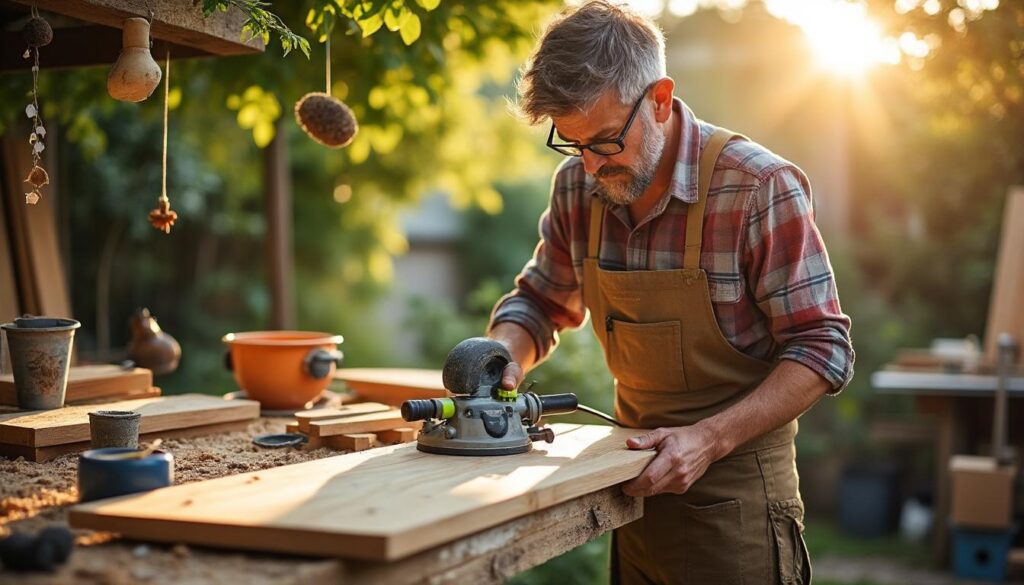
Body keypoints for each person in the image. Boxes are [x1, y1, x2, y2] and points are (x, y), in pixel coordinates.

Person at [485, 1, 855, 583]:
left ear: (659, 99)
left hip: (739, 510)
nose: (589, 164)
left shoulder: (759, 187)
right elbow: (540, 302)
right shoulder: (578, 187)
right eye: (572, 142)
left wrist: (708, 439)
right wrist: (503, 354)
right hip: (630, 497)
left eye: (605, 141)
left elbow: (822, 348)